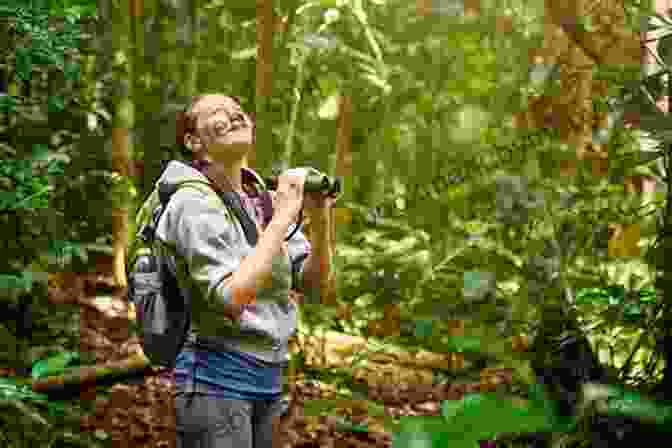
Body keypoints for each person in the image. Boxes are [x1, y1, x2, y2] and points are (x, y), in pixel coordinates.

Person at [134, 94, 334, 448]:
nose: (234, 114)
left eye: (238, 110)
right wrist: (286, 215)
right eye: (216, 112)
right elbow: (230, 297)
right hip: (214, 379)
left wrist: (319, 216)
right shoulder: (191, 201)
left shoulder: (261, 199)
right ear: (193, 141)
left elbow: (316, 286)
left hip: (268, 378)